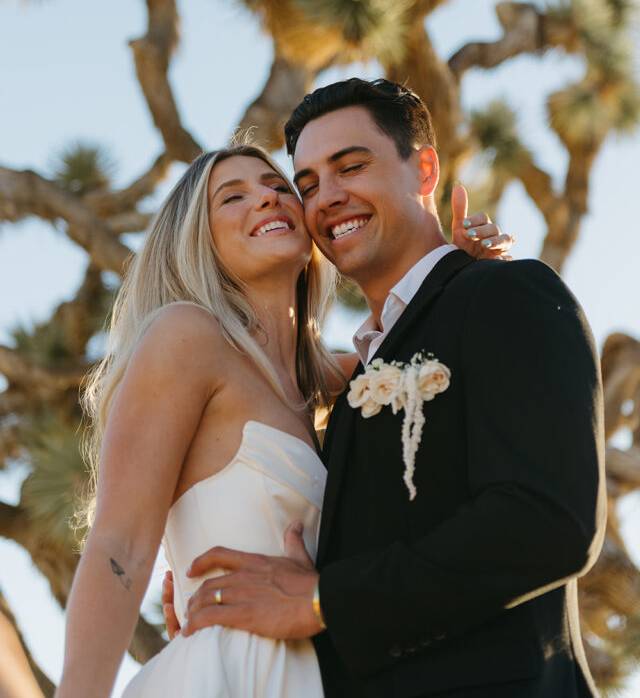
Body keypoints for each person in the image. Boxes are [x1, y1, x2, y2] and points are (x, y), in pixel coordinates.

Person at [176, 78, 606, 698]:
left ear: (424, 168)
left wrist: (324, 598)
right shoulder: (348, 386)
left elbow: (547, 521)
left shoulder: (504, 294)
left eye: (351, 166)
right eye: (309, 185)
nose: (328, 197)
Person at [55, 137, 510, 698]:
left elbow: (430, 348)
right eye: (233, 197)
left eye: (278, 187)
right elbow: (120, 543)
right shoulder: (186, 338)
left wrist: (461, 275)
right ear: (198, 239)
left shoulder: (340, 381)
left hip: (331, 673)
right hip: (231, 674)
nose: (267, 200)